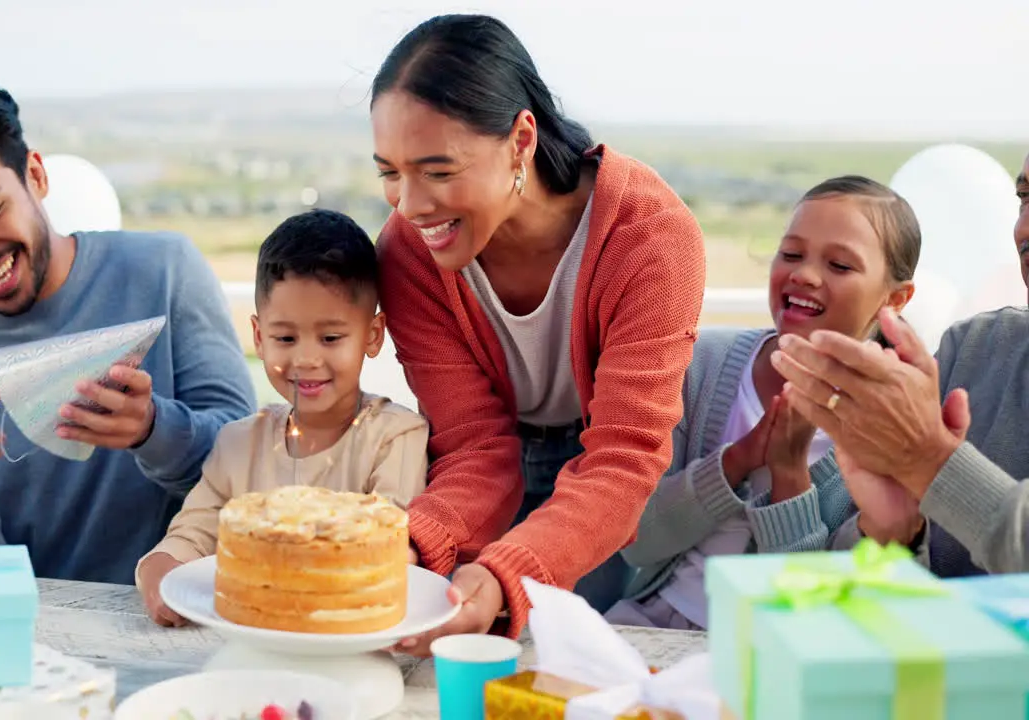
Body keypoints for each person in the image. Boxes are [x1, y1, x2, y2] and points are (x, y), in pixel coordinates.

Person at [371, 14, 707, 648]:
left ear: (520, 138)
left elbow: (622, 458)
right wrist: (412, 546)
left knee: (573, 658)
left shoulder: (650, 238)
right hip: (478, 473)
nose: (410, 205)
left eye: (438, 171)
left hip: (605, 473)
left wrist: (507, 575)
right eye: (390, 172)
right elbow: (473, 443)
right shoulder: (409, 253)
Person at [0, 80, 256, 584]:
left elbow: (251, 474)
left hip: (174, 623)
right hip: (17, 643)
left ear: (35, 175)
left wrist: (152, 430)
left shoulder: (166, 272)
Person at [610, 176, 920, 629]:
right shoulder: (700, 365)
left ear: (895, 299)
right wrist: (735, 460)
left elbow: (815, 616)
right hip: (649, 627)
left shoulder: (891, 430)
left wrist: (788, 472)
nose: (804, 274)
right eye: (791, 254)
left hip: (772, 658)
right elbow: (637, 541)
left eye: (839, 265)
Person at [134, 209, 429, 625]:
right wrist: (159, 575)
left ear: (373, 335)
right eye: (285, 338)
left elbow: (383, 548)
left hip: (348, 643)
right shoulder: (239, 443)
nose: (306, 359)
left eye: (330, 338)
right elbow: (191, 535)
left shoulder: (395, 438)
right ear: (258, 336)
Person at [774, 154, 1029, 576]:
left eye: (840, 264)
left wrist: (931, 462)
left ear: (896, 298)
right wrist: (895, 534)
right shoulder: (969, 350)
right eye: (1025, 199)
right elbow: (853, 583)